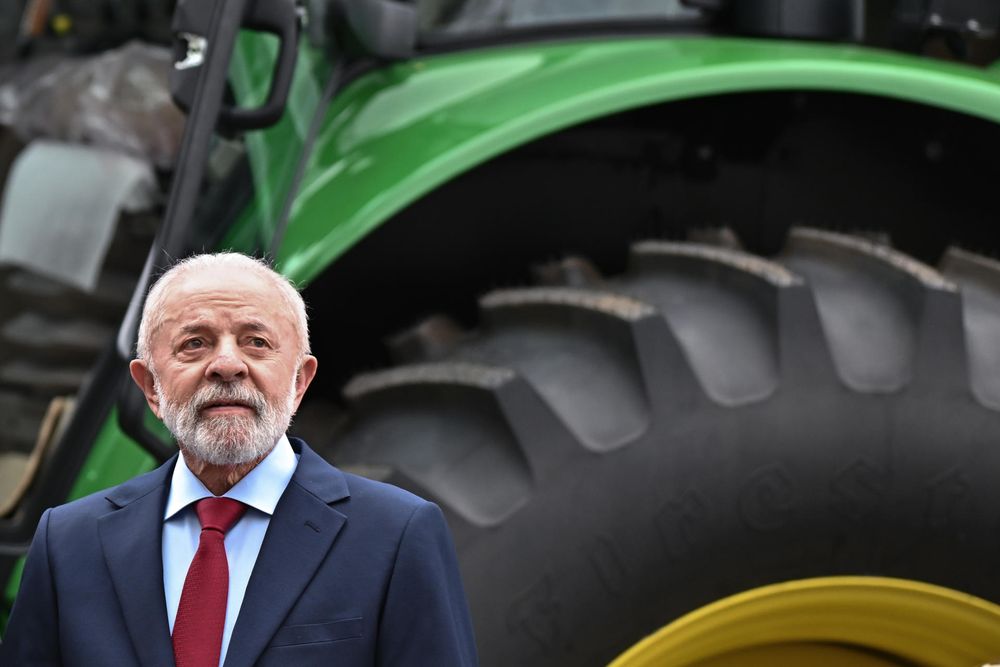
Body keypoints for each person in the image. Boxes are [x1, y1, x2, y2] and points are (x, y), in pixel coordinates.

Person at [1, 252, 479, 666]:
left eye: (256, 342)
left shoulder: (396, 536)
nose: (227, 365)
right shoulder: (68, 544)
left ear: (299, 381)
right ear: (151, 388)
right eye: (195, 343)